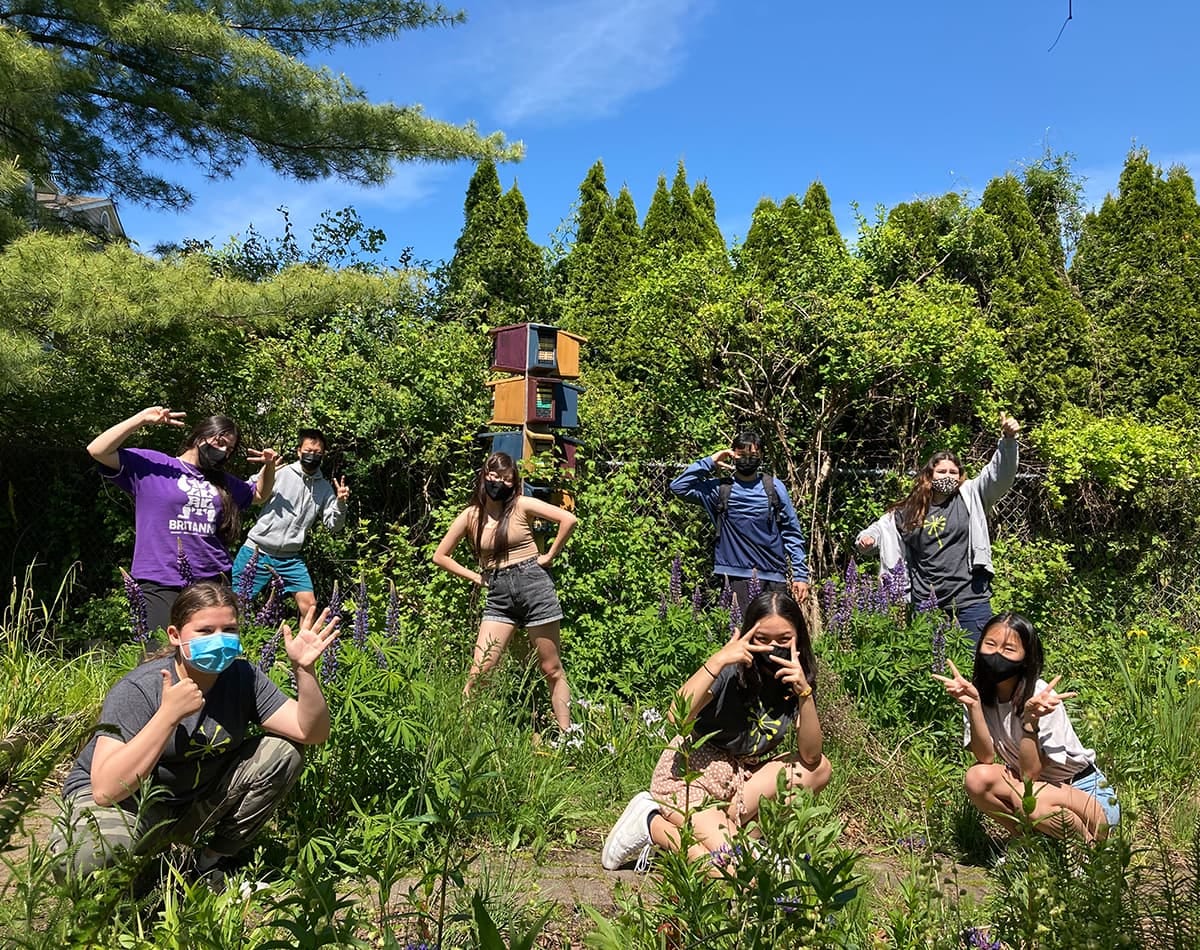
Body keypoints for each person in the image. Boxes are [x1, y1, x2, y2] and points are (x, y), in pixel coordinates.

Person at [52, 582, 340, 882]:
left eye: (229, 630)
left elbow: (311, 732)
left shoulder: (242, 677)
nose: (220, 639)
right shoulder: (139, 688)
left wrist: (304, 670)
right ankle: (138, 874)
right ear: (175, 636)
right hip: (126, 804)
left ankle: (207, 864)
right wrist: (167, 716)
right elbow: (105, 789)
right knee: (84, 858)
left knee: (284, 751)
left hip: (189, 803)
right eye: (205, 631)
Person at [602, 591, 831, 872]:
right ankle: (653, 824)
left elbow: (811, 757)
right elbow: (676, 716)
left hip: (741, 781)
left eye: (784, 640)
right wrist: (718, 660)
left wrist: (804, 694)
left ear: (799, 637)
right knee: (730, 871)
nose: (773, 648)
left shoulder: (796, 676)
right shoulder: (732, 667)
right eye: (763, 639)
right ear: (749, 634)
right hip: (690, 778)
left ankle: (741, 839)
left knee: (820, 769)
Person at [88, 407, 280, 633]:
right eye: (219, 442)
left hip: (213, 580)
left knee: (209, 654)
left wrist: (269, 467)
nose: (223, 451)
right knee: (159, 654)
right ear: (200, 435)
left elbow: (259, 495)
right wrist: (141, 420)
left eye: (229, 448)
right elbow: (97, 450)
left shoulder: (222, 482)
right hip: (160, 579)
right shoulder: (152, 465)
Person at [934, 612, 1118, 842]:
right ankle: (1028, 842)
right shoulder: (976, 693)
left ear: (1026, 657)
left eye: (1009, 649)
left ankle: (1087, 852)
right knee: (977, 778)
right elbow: (986, 757)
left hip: (1087, 795)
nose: (997, 654)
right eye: (990, 644)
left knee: (1028, 797)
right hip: (1035, 790)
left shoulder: (1041, 698)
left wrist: (1030, 721)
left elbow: (1030, 774)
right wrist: (973, 706)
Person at [432, 452, 578, 731]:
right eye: (494, 476)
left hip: (534, 585)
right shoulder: (471, 515)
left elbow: (567, 519)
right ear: (485, 476)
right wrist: (476, 577)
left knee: (551, 669)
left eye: (507, 479)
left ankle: (567, 736)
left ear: (514, 483)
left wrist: (549, 556)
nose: (499, 482)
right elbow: (441, 556)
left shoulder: (522, 505)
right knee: (480, 671)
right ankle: (462, 734)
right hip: (498, 593)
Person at [855, 413, 1021, 644]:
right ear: (929, 476)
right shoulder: (910, 510)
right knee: (930, 668)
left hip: (970, 597)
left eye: (953, 472)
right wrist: (867, 540)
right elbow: (881, 530)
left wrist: (1008, 440)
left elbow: (998, 476)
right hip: (926, 602)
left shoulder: (972, 495)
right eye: (942, 472)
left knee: (977, 663)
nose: (948, 476)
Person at [670, 431, 810, 610]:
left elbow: (791, 532)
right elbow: (678, 487)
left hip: (773, 576)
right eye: (742, 454)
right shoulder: (719, 489)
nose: (747, 459)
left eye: (753, 455)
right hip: (734, 576)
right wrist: (711, 461)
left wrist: (800, 576)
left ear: (761, 456)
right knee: (739, 634)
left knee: (773, 635)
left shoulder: (774, 488)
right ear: (733, 455)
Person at [232, 428, 349, 617]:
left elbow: (334, 526)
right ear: (299, 451)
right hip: (257, 550)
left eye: (318, 453)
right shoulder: (281, 472)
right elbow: (248, 492)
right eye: (309, 451)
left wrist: (341, 503)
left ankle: (302, 646)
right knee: (236, 605)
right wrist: (266, 469)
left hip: (290, 557)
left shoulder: (325, 488)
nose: (313, 455)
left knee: (309, 607)